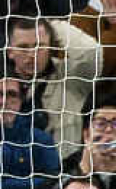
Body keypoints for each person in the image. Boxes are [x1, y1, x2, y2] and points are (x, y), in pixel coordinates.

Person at [5, 15, 100, 157]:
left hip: (62, 172)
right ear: (10, 52)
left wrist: (50, 25)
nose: (32, 55)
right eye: (23, 47)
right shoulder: (3, 82)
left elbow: (91, 51)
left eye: (40, 46)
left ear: (50, 47)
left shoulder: (72, 76)